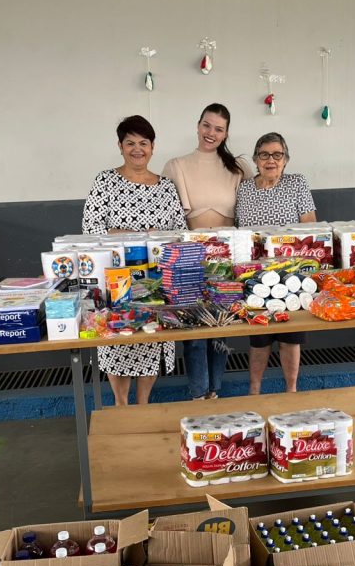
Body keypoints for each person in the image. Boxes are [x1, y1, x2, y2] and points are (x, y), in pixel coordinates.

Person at [82, 115, 186, 406]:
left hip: (156, 280)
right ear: (120, 146)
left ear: (153, 147)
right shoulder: (105, 181)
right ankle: (121, 404)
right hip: (116, 279)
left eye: (144, 143)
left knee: (150, 337)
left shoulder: (166, 187)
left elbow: (179, 232)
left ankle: (143, 405)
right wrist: (137, 234)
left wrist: (151, 236)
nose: (137, 149)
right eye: (130, 143)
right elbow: (90, 229)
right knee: (118, 339)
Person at [163, 103, 251, 400]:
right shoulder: (176, 165)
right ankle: (198, 395)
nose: (211, 133)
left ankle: (215, 392)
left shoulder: (238, 167)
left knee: (221, 328)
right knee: (195, 332)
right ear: (197, 125)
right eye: (206, 125)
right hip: (190, 260)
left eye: (218, 129)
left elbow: (249, 211)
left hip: (226, 261)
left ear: (226, 133)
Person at [236, 132, 318, 395]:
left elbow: (310, 227)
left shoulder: (297, 183)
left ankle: (291, 391)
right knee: (259, 338)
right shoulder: (244, 189)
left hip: (292, 274)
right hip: (255, 276)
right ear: (255, 159)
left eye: (277, 155)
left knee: (290, 337)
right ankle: (254, 391)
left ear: (286, 159)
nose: (270, 160)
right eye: (264, 155)